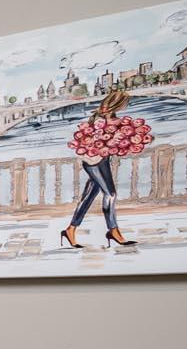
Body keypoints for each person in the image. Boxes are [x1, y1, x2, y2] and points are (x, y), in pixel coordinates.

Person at [63, 88, 151, 251]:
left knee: (88, 197)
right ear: (117, 103)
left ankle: (70, 230)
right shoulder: (99, 120)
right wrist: (113, 141)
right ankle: (113, 231)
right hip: (93, 161)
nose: (126, 105)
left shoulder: (116, 121)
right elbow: (95, 141)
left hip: (103, 160)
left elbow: (113, 143)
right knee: (110, 194)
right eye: (125, 103)